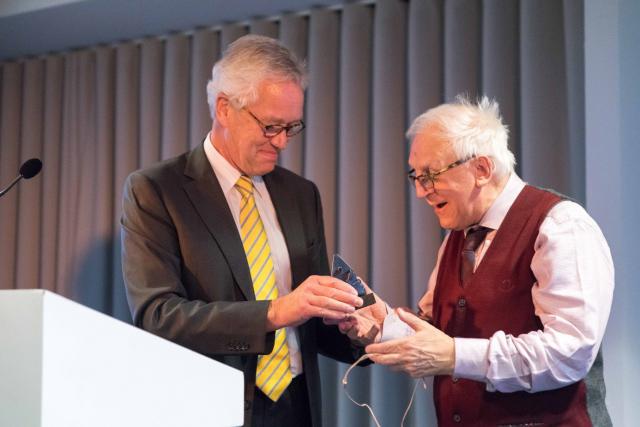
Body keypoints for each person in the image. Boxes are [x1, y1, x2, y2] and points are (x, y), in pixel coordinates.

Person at [121, 35, 365, 427]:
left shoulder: (301, 194)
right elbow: (158, 315)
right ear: (225, 109)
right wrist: (274, 312)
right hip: (209, 407)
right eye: (271, 126)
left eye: (292, 127)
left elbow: (312, 316)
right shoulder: (157, 189)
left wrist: (361, 329)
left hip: (297, 406)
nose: (282, 141)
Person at [339, 96, 614, 426]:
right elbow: (441, 333)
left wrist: (455, 356)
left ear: (482, 169)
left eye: (431, 174)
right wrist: (382, 326)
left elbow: (568, 353)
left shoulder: (561, 226)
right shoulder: (458, 238)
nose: (421, 191)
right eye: (416, 175)